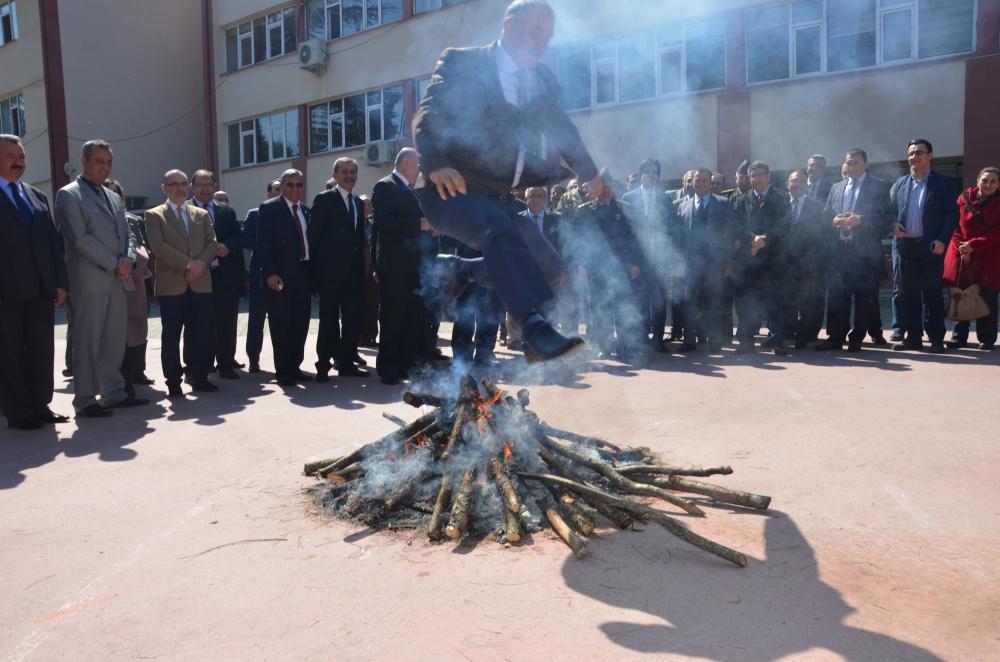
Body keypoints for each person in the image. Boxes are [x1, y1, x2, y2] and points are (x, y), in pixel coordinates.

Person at [412, 0, 599, 364]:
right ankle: (533, 330)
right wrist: (434, 162)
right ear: (509, 27)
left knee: (547, 263)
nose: (542, 43)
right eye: (535, 32)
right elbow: (430, 109)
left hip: (498, 196)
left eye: (548, 37)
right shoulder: (464, 62)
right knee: (498, 231)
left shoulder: (539, 83)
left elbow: (563, 130)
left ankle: (462, 269)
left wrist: (588, 171)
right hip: (449, 188)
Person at [57, 140, 145, 417]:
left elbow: (128, 233)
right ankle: (84, 399)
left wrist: (129, 259)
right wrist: (115, 265)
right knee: (87, 342)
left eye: (108, 163)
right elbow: (80, 238)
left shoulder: (114, 196)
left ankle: (114, 393)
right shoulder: (68, 194)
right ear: (83, 161)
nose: (105, 168)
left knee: (114, 341)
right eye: (99, 161)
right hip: (91, 281)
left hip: (119, 278)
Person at [0, 134, 70, 429]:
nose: (18, 162)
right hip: (7, 291)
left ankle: (40, 405)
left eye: (22, 157)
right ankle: (17, 411)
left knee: (42, 349)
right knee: (10, 352)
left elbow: (53, 244)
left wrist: (60, 283)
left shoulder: (36, 195)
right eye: (11, 157)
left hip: (41, 289)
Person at [145, 170, 219, 397]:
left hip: (200, 283)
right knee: (171, 335)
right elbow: (159, 247)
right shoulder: (154, 214)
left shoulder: (201, 214)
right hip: (172, 285)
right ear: (164, 188)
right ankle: (173, 382)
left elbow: (212, 243)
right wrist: (189, 265)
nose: (179, 188)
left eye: (183, 184)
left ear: (188, 187)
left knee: (200, 332)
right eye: (173, 184)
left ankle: (199, 377)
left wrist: (198, 265)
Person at [815, 149, 894, 352]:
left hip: (864, 253)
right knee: (836, 297)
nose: (851, 166)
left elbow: (886, 218)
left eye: (855, 163)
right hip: (840, 251)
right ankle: (835, 336)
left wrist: (862, 220)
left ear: (865, 163)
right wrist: (833, 221)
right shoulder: (837, 187)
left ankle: (857, 338)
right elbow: (825, 217)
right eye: (848, 163)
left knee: (863, 297)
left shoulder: (878, 186)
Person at [889, 139, 959, 354]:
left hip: (931, 247)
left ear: (930, 155)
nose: (914, 157)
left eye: (919, 152)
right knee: (909, 293)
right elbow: (890, 211)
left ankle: (936, 338)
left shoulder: (943, 182)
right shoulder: (901, 183)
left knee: (932, 294)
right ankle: (913, 337)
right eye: (911, 153)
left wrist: (942, 240)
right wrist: (893, 224)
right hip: (906, 247)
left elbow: (952, 214)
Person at [371, 149, 432, 384]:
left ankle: (405, 365)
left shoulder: (411, 189)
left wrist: (428, 226)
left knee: (413, 318)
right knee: (392, 317)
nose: (420, 170)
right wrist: (419, 223)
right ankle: (387, 366)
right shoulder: (385, 186)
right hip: (394, 266)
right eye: (418, 165)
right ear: (406, 162)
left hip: (415, 266)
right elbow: (383, 221)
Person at [572, 169, 646, 361]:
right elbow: (577, 241)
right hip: (596, 269)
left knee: (622, 308)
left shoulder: (624, 209)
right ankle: (603, 347)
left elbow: (634, 240)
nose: (606, 190)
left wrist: (635, 263)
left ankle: (624, 348)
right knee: (599, 309)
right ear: (596, 188)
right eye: (603, 186)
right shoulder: (585, 211)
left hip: (622, 268)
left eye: (610, 186)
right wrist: (579, 265)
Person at [308, 158, 369, 382]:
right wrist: (314, 276)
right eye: (344, 172)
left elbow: (358, 238)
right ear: (335, 175)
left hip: (354, 272)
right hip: (330, 273)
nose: (349, 175)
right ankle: (323, 366)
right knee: (329, 320)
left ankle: (345, 363)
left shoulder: (358, 203)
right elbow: (313, 237)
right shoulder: (324, 199)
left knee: (355, 316)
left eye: (353, 172)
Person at [188, 170, 246, 377]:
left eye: (209, 184)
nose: (205, 189)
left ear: (214, 186)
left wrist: (227, 246)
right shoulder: (184, 210)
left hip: (223, 275)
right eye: (200, 185)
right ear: (192, 187)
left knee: (226, 323)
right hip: (196, 275)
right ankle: (196, 366)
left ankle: (225, 364)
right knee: (196, 324)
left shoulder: (226, 210)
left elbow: (239, 237)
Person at [257, 169, 313, 386]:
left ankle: (295, 367)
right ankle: (283, 372)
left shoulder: (306, 211)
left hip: (304, 274)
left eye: (299, 185)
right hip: (279, 277)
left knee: (300, 324)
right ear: (281, 186)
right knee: (281, 325)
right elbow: (263, 244)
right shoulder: (270, 208)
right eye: (290, 184)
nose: (295, 189)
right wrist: (270, 272)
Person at [673, 168, 736, 354]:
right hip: (690, 265)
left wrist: (729, 261)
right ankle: (689, 342)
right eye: (696, 180)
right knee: (689, 304)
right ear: (691, 183)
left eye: (704, 180)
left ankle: (715, 343)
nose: (700, 183)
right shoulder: (683, 206)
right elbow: (679, 238)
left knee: (715, 304)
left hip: (714, 264)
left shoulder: (723, 204)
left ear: (710, 183)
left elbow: (729, 235)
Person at [732, 161, 791, 355]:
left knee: (775, 303)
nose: (756, 179)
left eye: (760, 174)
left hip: (774, 260)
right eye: (753, 175)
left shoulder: (782, 198)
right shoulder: (741, 200)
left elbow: (784, 226)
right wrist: (752, 238)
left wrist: (764, 240)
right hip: (748, 262)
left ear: (769, 175)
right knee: (745, 303)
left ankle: (776, 342)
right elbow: (738, 227)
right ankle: (746, 343)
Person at [105, 179, 154, 394]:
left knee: (139, 326)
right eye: (108, 192)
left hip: (137, 280)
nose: (113, 196)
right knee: (119, 332)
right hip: (112, 281)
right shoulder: (99, 222)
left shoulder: (134, 220)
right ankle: (117, 378)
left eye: (117, 193)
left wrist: (135, 265)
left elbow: (144, 248)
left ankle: (137, 372)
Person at [944, 167, 1000, 350]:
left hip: (990, 256)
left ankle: (987, 338)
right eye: (985, 180)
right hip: (963, 257)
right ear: (977, 181)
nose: (988, 184)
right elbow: (955, 225)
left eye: (993, 181)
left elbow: (997, 231)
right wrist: (964, 248)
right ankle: (959, 336)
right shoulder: (964, 198)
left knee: (988, 298)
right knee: (962, 296)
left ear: (998, 184)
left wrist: (974, 245)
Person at [621, 158, 673, 353]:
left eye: (654, 172)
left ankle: (658, 339)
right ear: (641, 174)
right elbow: (625, 233)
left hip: (660, 259)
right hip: (638, 260)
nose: (651, 175)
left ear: (658, 176)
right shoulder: (628, 197)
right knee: (639, 300)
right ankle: (642, 338)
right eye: (647, 171)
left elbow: (672, 230)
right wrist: (632, 261)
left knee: (659, 301)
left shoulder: (666, 199)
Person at [781, 170, 830, 349]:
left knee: (807, 301)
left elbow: (822, 236)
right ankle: (787, 332)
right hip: (784, 262)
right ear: (787, 184)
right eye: (794, 181)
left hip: (808, 263)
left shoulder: (818, 207)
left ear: (807, 186)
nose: (797, 184)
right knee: (786, 300)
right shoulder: (779, 205)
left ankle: (804, 335)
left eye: (801, 181)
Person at [242, 179, 281, 373]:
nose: (280, 192)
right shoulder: (255, 213)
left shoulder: (292, 213)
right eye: (276, 190)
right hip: (259, 276)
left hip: (284, 275)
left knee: (283, 320)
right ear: (268, 194)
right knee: (257, 319)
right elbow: (244, 238)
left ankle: (284, 361)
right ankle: (253, 358)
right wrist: (265, 246)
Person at [358, 194, 380, 348]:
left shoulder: (374, 224)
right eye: (363, 204)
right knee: (358, 306)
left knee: (373, 305)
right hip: (358, 270)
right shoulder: (352, 223)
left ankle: (370, 336)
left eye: (369, 205)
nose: (366, 208)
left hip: (373, 271)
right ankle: (358, 337)